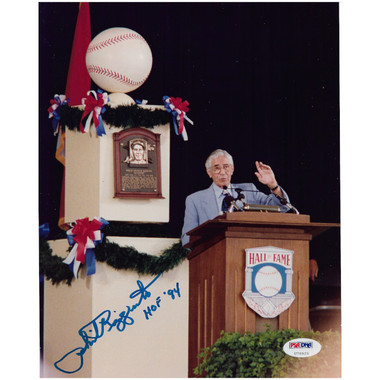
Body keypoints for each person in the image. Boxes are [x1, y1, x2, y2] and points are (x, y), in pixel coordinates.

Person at [181, 149, 291, 246]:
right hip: (212, 256)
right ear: (209, 172)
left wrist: (273, 185)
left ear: (232, 169)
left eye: (226, 167)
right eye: (216, 168)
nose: (222, 172)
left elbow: (282, 208)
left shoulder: (248, 191)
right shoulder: (195, 200)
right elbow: (186, 239)